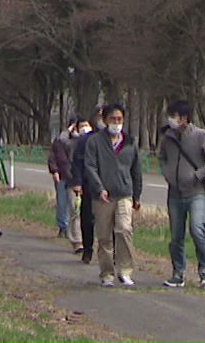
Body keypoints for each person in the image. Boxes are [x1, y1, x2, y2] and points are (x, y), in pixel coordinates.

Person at [157, 99, 205, 288]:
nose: (171, 120)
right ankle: (178, 272)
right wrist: (168, 174)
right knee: (176, 234)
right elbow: (162, 158)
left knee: (197, 229)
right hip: (174, 193)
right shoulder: (168, 137)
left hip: (195, 192)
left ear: (184, 118)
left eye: (174, 116)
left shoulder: (200, 136)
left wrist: (199, 174)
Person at [80, 102, 143, 287]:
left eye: (119, 119)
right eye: (113, 119)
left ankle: (125, 270)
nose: (116, 122)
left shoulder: (130, 142)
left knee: (124, 230)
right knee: (104, 236)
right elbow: (90, 166)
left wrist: (137, 195)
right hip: (102, 196)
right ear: (105, 120)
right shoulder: (95, 142)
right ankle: (107, 273)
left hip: (124, 193)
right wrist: (99, 188)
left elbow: (136, 170)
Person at [68, 109, 100, 259]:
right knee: (87, 219)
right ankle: (87, 248)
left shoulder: (116, 140)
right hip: (89, 185)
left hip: (109, 186)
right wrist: (77, 182)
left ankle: (111, 252)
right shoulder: (85, 140)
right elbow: (77, 162)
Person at [48, 118, 79, 240]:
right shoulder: (60, 140)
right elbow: (53, 156)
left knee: (74, 205)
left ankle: (74, 230)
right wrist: (54, 170)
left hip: (75, 176)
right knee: (62, 202)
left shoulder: (82, 140)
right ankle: (63, 227)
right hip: (61, 174)